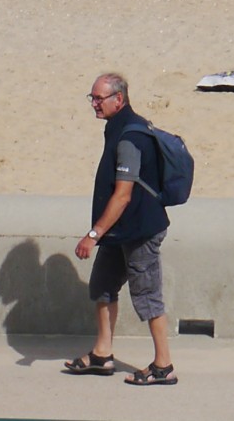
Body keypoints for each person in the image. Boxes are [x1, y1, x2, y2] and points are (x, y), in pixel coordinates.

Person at [65, 74, 176, 386]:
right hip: (120, 229)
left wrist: (93, 234)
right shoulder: (118, 127)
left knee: (147, 297)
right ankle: (102, 354)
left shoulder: (129, 137)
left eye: (99, 98)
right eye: (92, 98)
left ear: (119, 99)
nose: (94, 104)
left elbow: (123, 195)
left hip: (139, 230)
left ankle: (164, 366)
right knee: (102, 285)